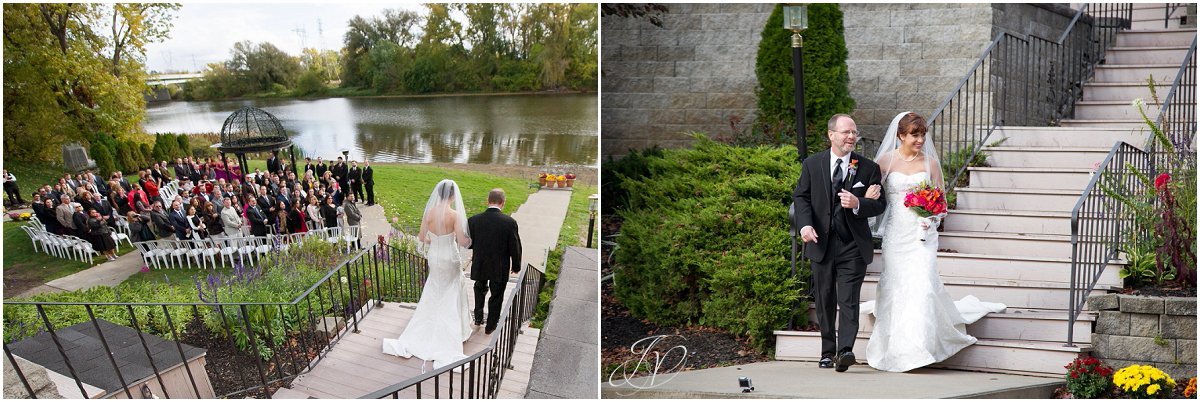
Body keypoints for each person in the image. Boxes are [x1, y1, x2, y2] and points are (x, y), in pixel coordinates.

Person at [862, 112, 1005, 372]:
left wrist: (933, 218)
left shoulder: (930, 164)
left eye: (922, 134)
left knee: (924, 285)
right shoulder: (884, 161)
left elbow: (941, 202)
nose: (920, 140)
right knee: (897, 286)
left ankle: (921, 347)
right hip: (896, 234)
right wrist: (867, 194)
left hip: (923, 234)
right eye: (914, 135)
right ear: (901, 135)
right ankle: (897, 348)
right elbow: (873, 196)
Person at [792, 114, 887, 372]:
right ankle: (826, 352)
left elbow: (880, 204)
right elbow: (801, 198)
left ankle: (845, 351)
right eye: (846, 132)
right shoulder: (813, 164)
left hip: (853, 246)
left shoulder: (868, 168)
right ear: (831, 135)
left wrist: (859, 203)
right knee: (824, 299)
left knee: (848, 300)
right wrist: (805, 225)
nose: (852, 137)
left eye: (854, 132)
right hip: (820, 243)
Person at [382, 179, 473, 370]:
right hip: (449, 258)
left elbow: (422, 238)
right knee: (451, 291)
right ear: (452, 195)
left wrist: (437, 242)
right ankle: (450, 335)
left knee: (435, 288)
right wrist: (471, 240)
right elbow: (463, 241)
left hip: (435, 258)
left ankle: (424, 332)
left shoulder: (429, 213)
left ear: (438, 194)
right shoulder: (454, 215)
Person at [467, 188, 523, 335]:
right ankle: (490, 326)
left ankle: (478, 319)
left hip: (480, 263)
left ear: (488, 201)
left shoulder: (473, 220)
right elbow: (515, 246)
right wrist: (516, 266)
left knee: (479, 289)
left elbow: (470, 243)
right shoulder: (509, 222)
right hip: (500, 266)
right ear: (503, 203)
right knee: (496, 296)